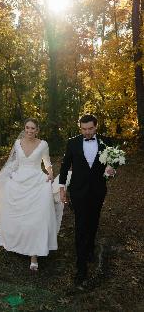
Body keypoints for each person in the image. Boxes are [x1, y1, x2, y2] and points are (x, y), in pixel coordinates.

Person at [0, 118, 59, 271]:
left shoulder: (43, 144)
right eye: (27, 128)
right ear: (24, 128)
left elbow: (47, 163)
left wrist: (50, 174)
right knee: (15, 216)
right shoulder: (18, 143)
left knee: (36, 218)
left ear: (37, 130)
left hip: (36, 182)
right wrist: (7, 176)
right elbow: (14, 163)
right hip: (18, 182)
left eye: (33, 128)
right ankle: (16, 243)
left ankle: (34, 255)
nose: (30, 131)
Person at [59, 114, 115, 287]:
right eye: (84, 129)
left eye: (90, 129)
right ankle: (81, 266)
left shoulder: (107, 142)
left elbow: (113, 165)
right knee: (81, 225)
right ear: (80, 128)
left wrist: (112, 170)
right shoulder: (72, 142)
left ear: (96, 127)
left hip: (98, 191)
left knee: (94, 221)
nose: (87, 132)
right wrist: (62, 188)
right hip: (78, 191)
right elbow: (65, 165)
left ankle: (90, 248)